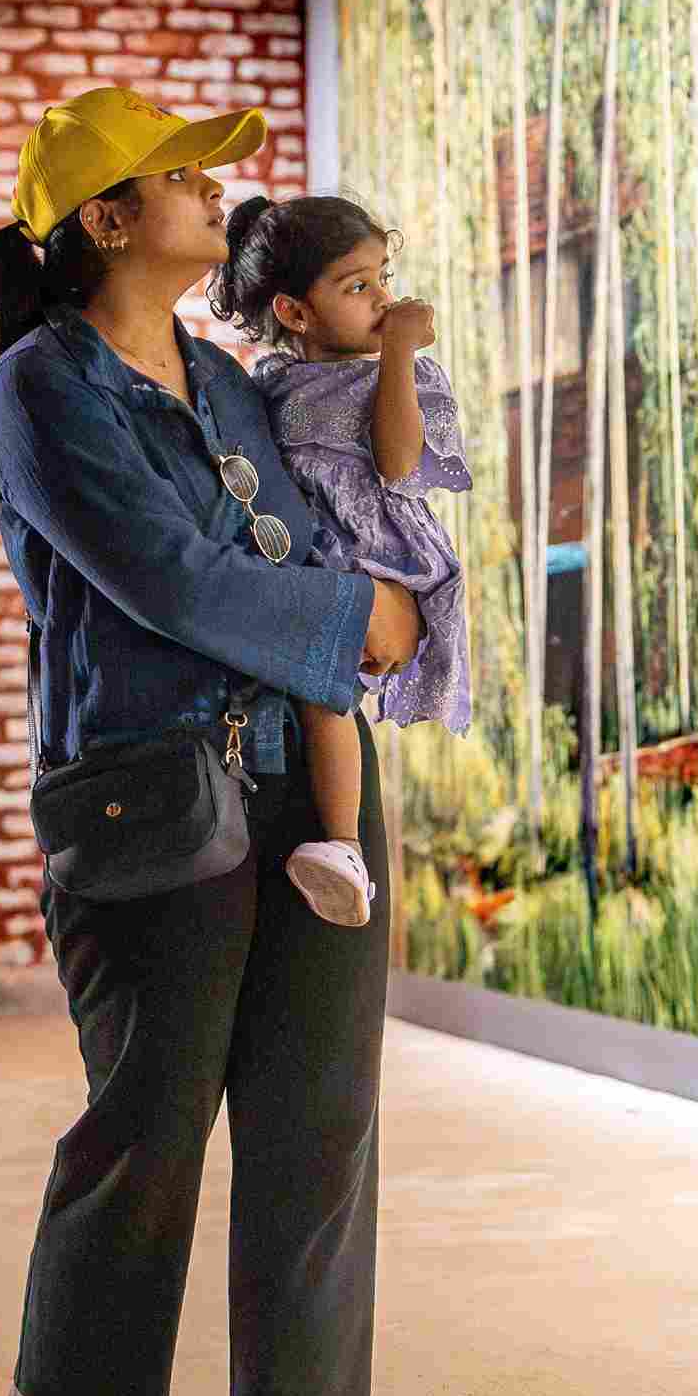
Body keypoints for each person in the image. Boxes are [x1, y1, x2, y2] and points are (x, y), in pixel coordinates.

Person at [0, 87, 435, 1396]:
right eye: (183, 176)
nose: (216, 196)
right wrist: (351, 616)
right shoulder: (42, 387)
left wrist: (342, 596)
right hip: (151, 796)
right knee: (148, 1125)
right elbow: (169, 576)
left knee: (318, 1127)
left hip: (310, 785)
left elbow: (288, 535)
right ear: (106, 218)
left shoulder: (227, 379)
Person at [202, 194, 472, 926]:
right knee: (316, 689)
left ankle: (345, 845)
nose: (382, 299)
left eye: (384, 278)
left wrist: (398, 353)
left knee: (325, 689)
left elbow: (397, 462)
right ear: (294, 313)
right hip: (312, 559)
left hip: (383, 557)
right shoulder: (269, 383)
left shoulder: (406, 375)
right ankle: (337, 845)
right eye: (357, 286)